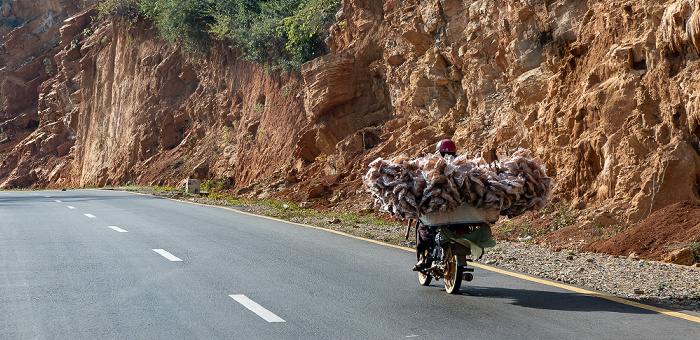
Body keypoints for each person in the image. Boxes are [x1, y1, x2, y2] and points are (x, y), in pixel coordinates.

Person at [412, 139, 457, 270]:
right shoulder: (459, 164)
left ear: (439, 151)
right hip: (457, 213)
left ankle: (422, 258)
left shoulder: (431, 165)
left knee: (422, 225)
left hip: (438, 211)